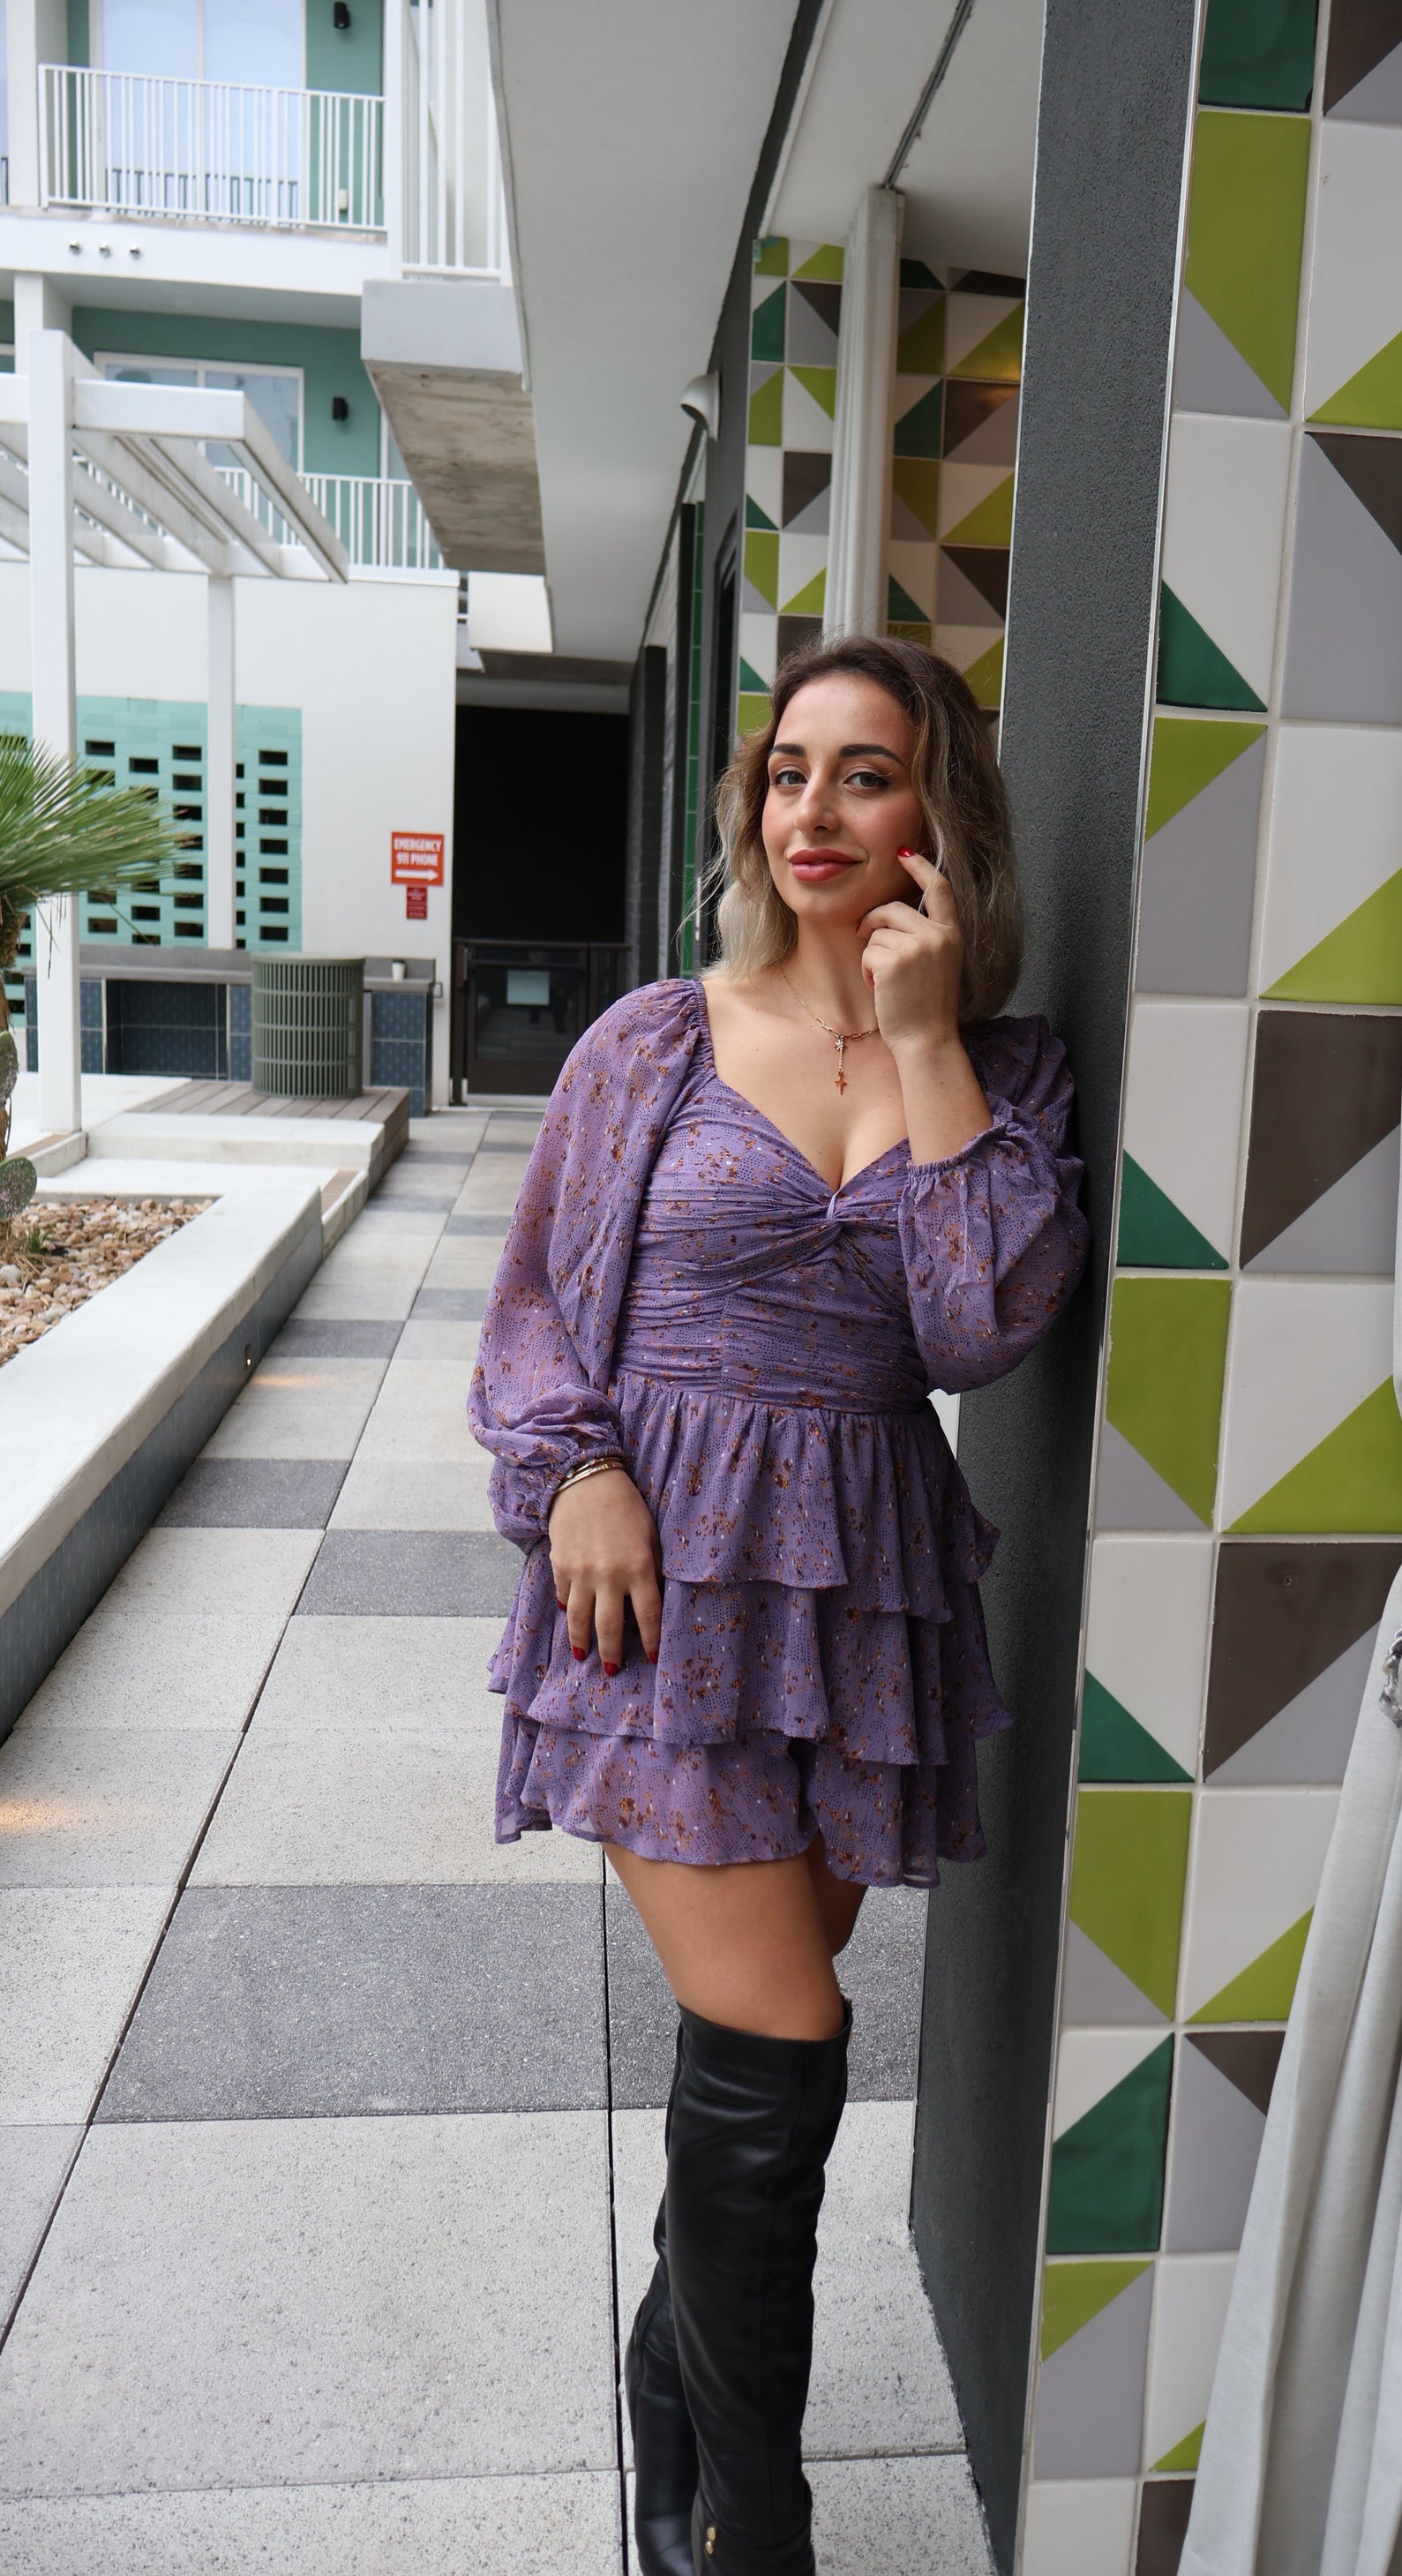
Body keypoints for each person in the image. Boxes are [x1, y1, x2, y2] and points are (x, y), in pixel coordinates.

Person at [469, 634, 1088, 2576]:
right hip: (659, 1584)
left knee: (755, 2071)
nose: (810, 810)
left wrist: (920, 1042)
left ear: (937, 815)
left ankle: (672, 2436)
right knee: (785, 2034)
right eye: (787, 769)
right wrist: (572, 1468)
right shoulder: (652, 1038)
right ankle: (760, 2527)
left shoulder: (1005, 1066)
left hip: (858, 1597)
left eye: (865, 772)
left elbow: (980, 1327)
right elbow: (538, 1308)